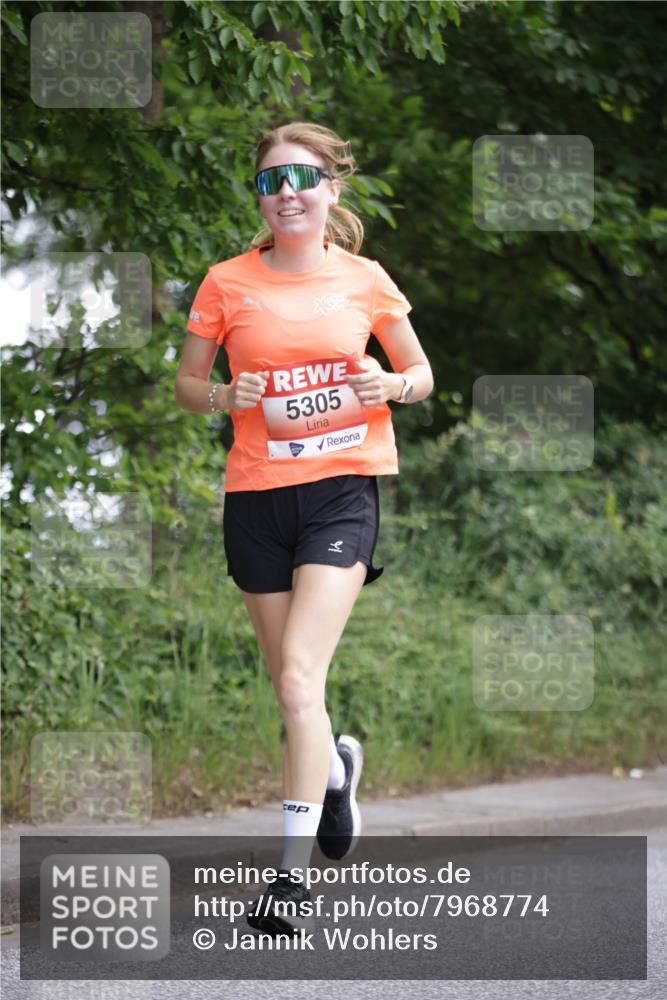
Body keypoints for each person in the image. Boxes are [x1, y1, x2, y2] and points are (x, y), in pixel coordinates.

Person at [175, 121, 434, 935]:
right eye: (269, 182)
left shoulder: (365, 280)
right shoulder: (225, 282)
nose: (285, 193)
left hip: (341, 493)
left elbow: (422, 375)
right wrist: (226, 398)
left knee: (296, 677)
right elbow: (186, 384)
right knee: (296, 691)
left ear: (330, 189)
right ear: (260, 197)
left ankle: (286, 883)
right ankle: (332, 772)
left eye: (300, 179)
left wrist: (386, 382)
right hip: (256, 497)